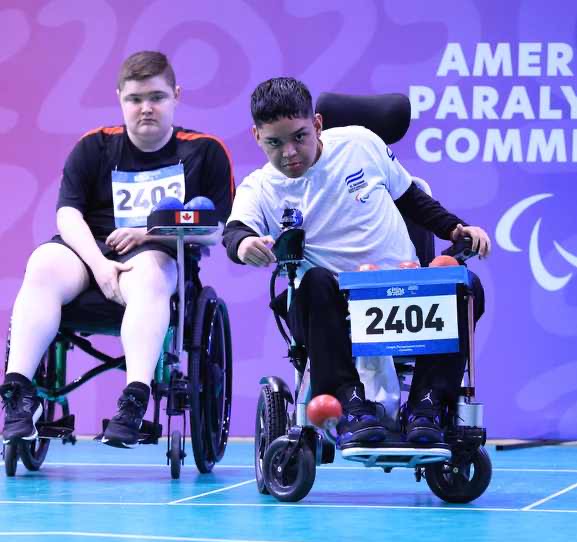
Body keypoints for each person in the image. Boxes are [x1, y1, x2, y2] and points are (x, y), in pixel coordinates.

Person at [223, 77, 489, 447]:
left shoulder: (361, 144)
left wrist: (455, 228)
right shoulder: (260, 187)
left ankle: (425, 407)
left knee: (466, 285)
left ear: (317, 125)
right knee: (314, 280)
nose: (289, 153)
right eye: (274, 143)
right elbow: (235, 231)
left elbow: (411, 198)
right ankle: (351, 406)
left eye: (299, 136)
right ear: (256, 136)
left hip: (406, 292)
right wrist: (244, 244)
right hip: (331, 305)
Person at [1, 51, 234, 448]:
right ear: (120, 99)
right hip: (89, 254)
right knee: (41, 264)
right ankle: (19, 396)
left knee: (150, 274)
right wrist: (100, 266)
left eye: (157, 97)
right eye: (135, 99)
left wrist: (147, 234)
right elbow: (67, 214)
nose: (146, 108)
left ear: (176, 95)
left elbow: (216, 230)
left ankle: (133, 401)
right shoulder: (94, 146)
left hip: (157, 255)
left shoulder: (204, 151)